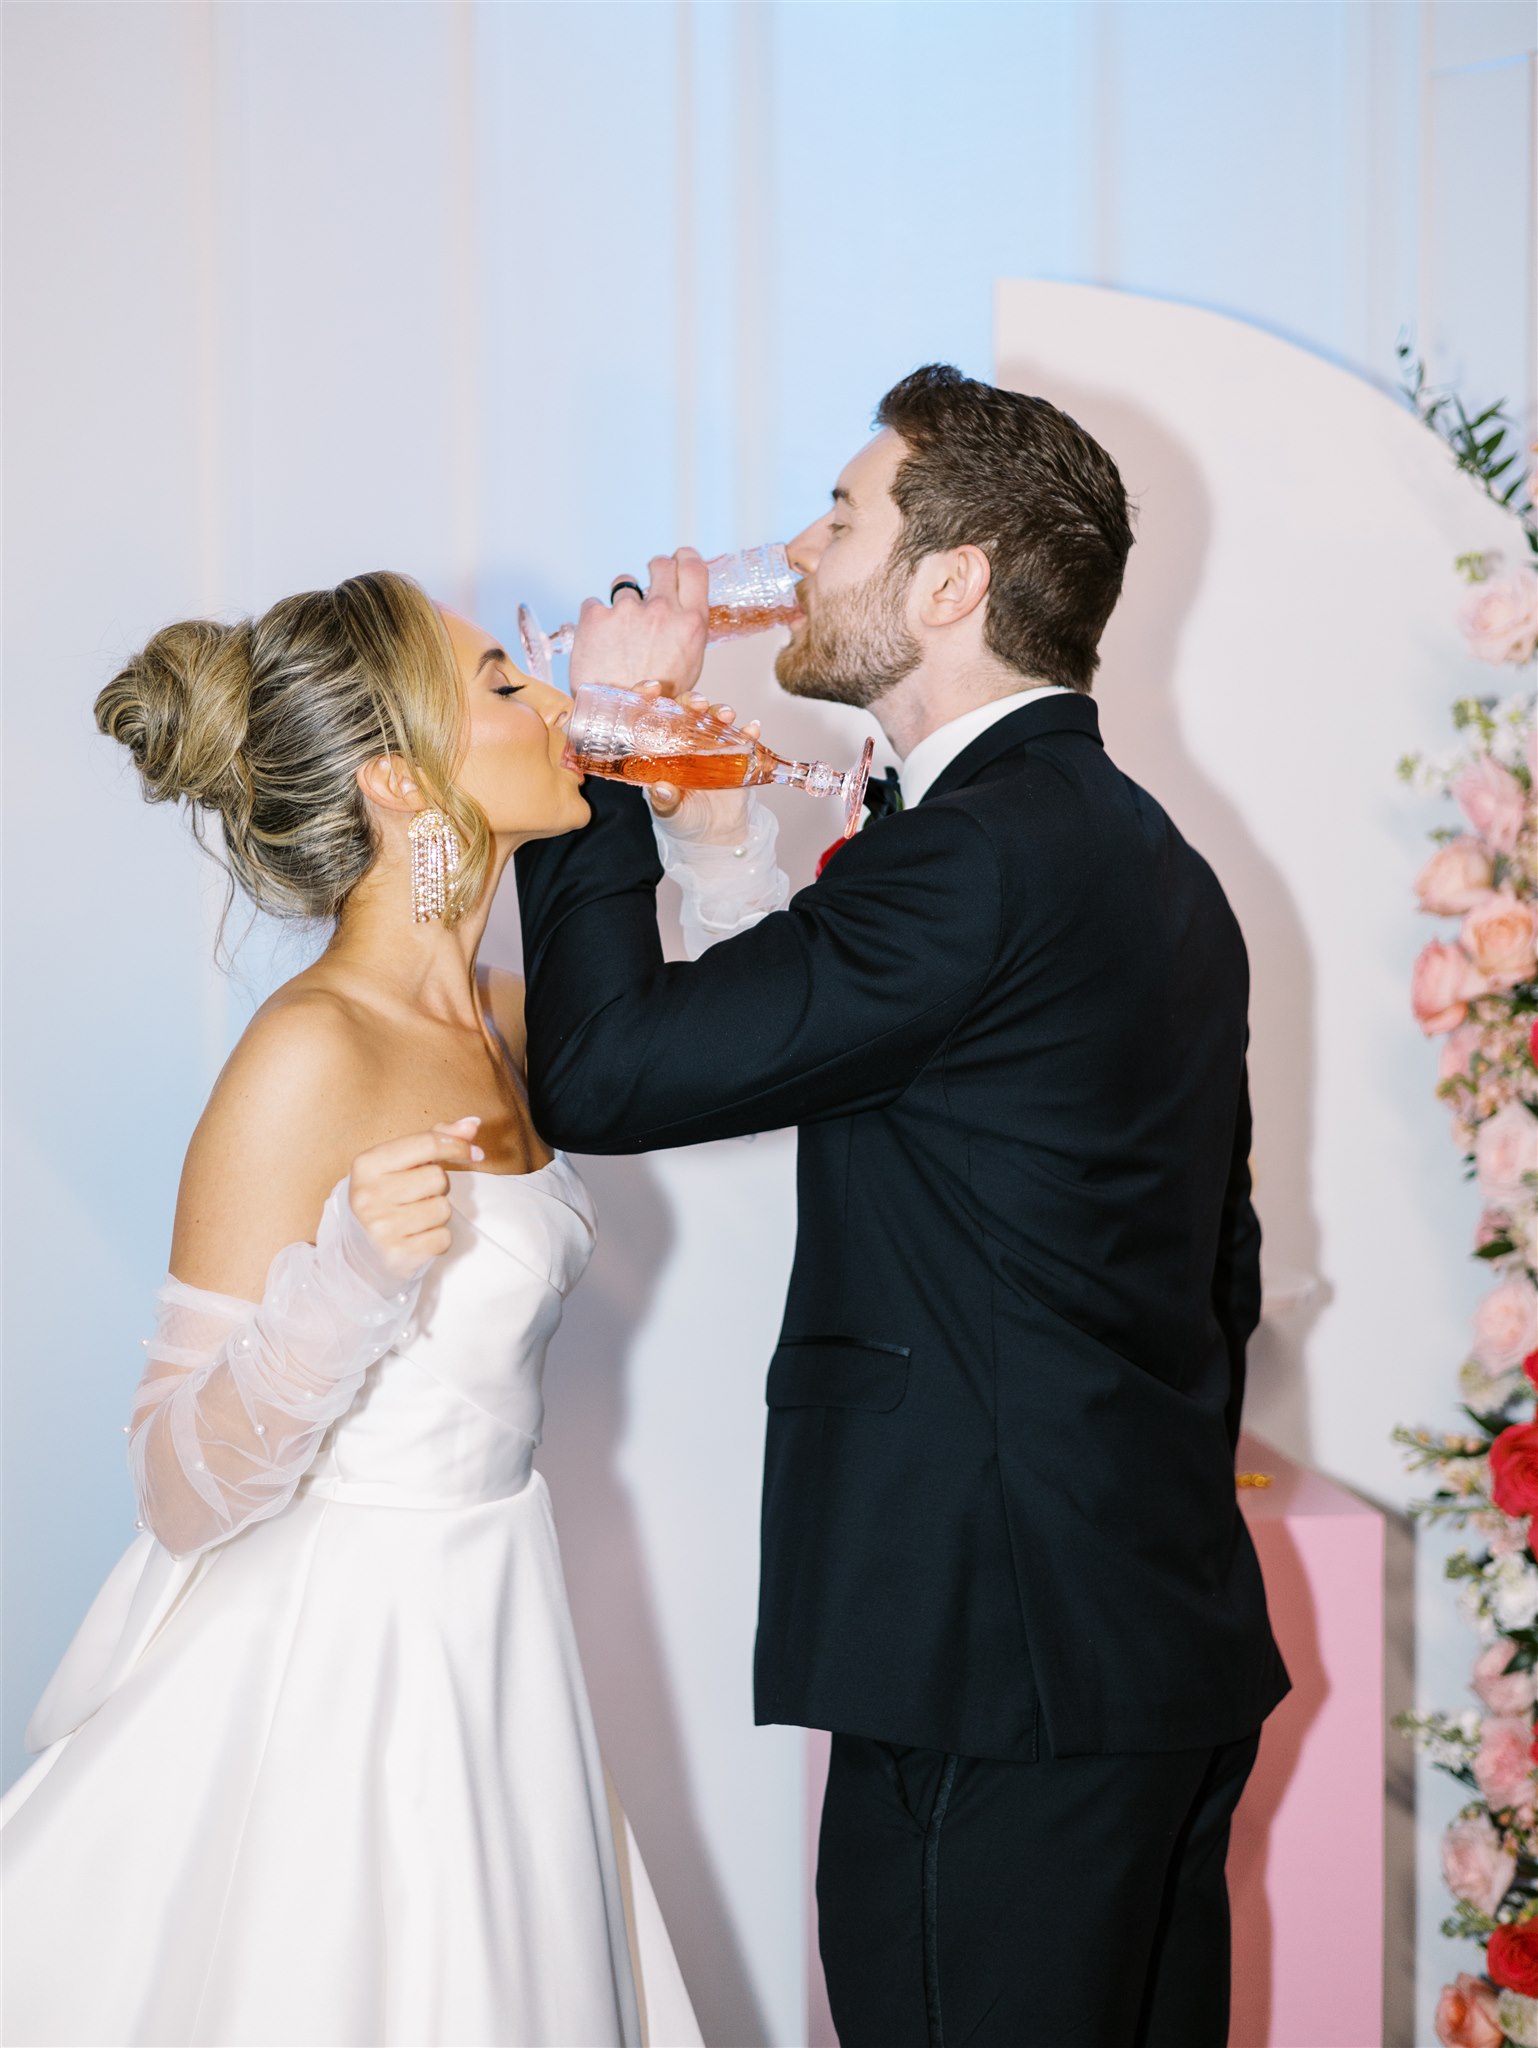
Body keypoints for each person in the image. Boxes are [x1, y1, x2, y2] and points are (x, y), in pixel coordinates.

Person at [517, 364, 1292, 2048]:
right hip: (1137, 1644)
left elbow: (604, 1075)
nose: (796, 548)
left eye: (843, 513)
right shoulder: (1134, 852)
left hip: (991, 1667)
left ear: (953, 584)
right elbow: (1209, 1276)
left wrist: (601, 738)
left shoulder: (983, 856)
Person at [0, 572, 704, 2048]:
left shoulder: (510, 1022)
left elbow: (733, 1050)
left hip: (498, 1623)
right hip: (343, 1671)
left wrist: (707, 829)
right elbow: (175, 1486)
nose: (558, 705)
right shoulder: (306, 1052)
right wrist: (350, 1283)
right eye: (508, 686)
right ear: (402, 782)